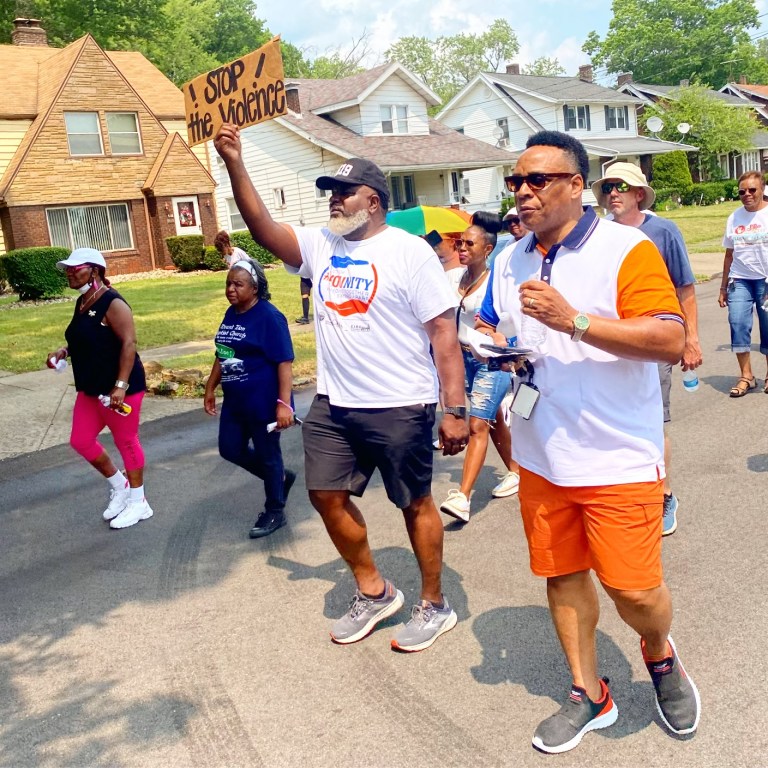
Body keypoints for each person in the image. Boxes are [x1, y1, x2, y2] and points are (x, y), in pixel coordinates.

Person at [476, 131, 700, 753]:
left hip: (617, 454)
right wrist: (487, 364)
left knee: (634, 590)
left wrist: (572, 319)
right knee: (562, 575)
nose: (522, 193)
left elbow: (668, 339)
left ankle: (659, 656)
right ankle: (588, 692)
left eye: (538, 180)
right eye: (516, 182)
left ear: (577, 186)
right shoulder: (509, 258)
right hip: (542, 453)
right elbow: (495, 328)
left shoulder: (625, 249)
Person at [214, 124, 469, 652]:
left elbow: (444, 333)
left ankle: (434, 604)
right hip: (334, 404)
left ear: (372, 201)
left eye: (343, 191)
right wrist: (235, 162)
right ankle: (374, 590)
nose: (334, 199)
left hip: (400, 402)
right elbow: (261, 227)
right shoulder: (320, 243)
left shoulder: (409, 253)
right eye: (330, 191)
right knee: (325, 495)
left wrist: (455, 407)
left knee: (414, 504)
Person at [591, 162, 702, 536]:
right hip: (607, 345)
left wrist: (691, 340)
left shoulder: (662, 231)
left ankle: (664, 493)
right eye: (607, 188)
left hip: (653, 342)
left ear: (639, 193)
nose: (613, 193)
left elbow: (685, 289)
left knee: (654, 420)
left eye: (621, 186)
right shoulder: (598, 236)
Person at [46, 248, 152, 530]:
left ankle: (139, 503)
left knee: (126, 441)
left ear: (94, 270)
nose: (69, 273)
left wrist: (121, 385)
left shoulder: (112, 302)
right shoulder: (83, 301)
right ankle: (120, 486)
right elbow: (87, 338)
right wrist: (64, 352)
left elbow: (129, 344)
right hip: (92, 388)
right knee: (80, 440)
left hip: (119, 390)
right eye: (67, 269)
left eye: (75, 268)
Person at [204, 258, 297, 538]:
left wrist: (284, 404)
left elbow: (284, 362)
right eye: (228, 284)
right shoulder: (231, 313)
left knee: (269, 456)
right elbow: (224, 353)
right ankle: (280, 478)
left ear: (254, 288)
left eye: (238, 284)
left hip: (263, 401)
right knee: (230, 449)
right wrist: (210, 387)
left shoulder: (270, 317)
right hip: (235, 402)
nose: (231, 289)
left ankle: (274, 510)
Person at [439, 214, 520, 523]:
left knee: (476, 425)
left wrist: (504, 344)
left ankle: (463, 497)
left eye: (469, 244)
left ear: (487, 250)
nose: (461, 248)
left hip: (491, 361)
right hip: (463, 361)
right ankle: (516, 469)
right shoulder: (452, 277)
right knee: (491, 418)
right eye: (459, 242)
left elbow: (508, 323)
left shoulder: (496, 283)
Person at [719, 170, 768, 397]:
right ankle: (746, 376)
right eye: (742, 191)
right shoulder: (734, 217)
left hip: (766, 281)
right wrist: (722, 287)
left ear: (762, 190)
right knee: (737, 323)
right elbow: (729, 254)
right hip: (740, 280)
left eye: (752, 190)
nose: (746, 194)